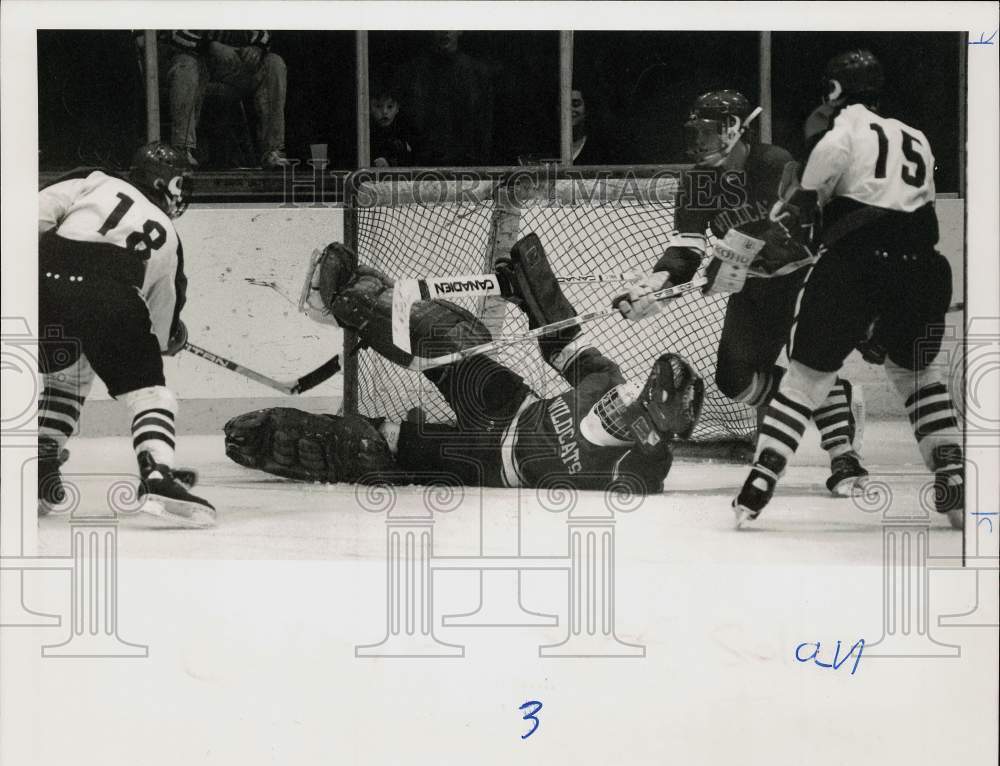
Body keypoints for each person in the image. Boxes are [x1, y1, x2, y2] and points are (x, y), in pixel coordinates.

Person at [224, 237, 704, 493]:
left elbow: (648, 473)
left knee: (369, 450)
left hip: (484, 460)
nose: (623, 395)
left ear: (648, 430)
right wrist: (534, 296)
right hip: (509, 406)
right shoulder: (608, 382)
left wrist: (652, 438)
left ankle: (293, 437)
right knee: (454, 336)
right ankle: (347, 300)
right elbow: (559, 344)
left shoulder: (635, 468)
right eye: (634, 388)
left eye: (636, 401)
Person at [733, 50, 963, 529]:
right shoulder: (917, 137)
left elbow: (802, 210)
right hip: (923, 268)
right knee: (917, 376)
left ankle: (760, 480)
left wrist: (778, 229)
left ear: (835, 91)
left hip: (855, 267)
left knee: (805, 380)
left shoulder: (840, 133)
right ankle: (952, 471)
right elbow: (917, 212)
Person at [616, 89, 868, 496]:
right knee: (733, 378)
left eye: (709, 132)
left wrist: (743, 257)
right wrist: (657, 282)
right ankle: (833, 398)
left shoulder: (774, 165)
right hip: (754, 288)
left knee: (808, 364)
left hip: (804, 278)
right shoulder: (698, 180)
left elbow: (799, 234)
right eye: (695, 132)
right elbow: (687, 249)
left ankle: (844, 457)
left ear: (735, 129)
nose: (699, 142)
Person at [37, 142, 215, 527]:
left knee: (66, 381)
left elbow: (33, 216)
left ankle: (41, 462)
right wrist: (171, 336)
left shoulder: (94, 181)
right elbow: (162, 312)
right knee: (151, 395)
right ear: (164, 182)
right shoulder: (166, 233)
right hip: (111, 289)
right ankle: (157, 476)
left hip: (45, 283)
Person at [167, 30, 290, 169]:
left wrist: (257, 47)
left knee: (274, 63)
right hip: (199, 60)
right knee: (185, 64)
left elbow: (264, 32)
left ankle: (272, 151)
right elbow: (176, 34)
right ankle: (182, 149)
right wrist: (210, 46)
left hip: (235, 63)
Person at [394, 31, 494, 165]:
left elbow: (484, 127)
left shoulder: (477, 73)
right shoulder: (411, 73)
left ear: (461, 30)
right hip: (421, 166)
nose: (445, 31)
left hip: (468, 167)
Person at [369, 81, 414, 168]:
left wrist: (390, 163)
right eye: (378, 106)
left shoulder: (405, 132)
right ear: (369, 108)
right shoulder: (365, 133)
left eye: (390, 106)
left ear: (397, 108)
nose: (384, 112)